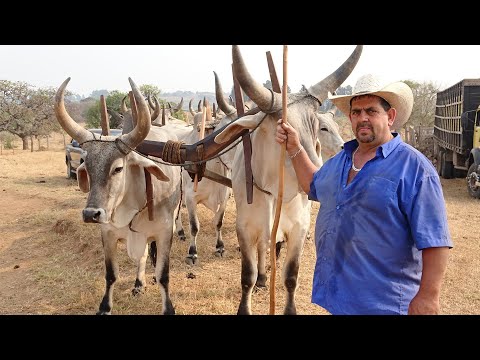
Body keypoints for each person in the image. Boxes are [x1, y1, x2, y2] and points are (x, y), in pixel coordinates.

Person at [275, 74, 453, 315]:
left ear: (390, 117)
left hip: (385, 304)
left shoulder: (415, 169)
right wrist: (294, 148)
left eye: (371, 111)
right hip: (339, 299)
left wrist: (428, 297)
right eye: (356, 112)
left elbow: (435, 241)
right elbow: (313, 186)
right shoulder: (341, 161)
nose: (363, 118)